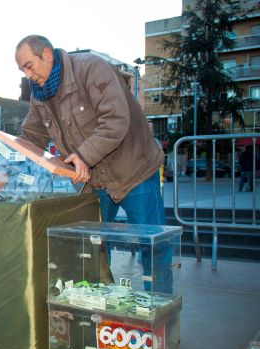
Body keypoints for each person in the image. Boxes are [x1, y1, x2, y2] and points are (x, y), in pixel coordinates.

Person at [12, 35, 171, 292]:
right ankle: (100, 309)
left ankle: (162, 316)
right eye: (22, 70)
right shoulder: (39, 97)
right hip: (93, 180)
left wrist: (83, 156)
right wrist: (4, 169)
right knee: (91, 248)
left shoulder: (90, 68)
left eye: (29, 65)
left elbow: (116, 120)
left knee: (152, 247)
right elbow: (30, 138)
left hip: (134, 170)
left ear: (48, 55)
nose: (27, 75)